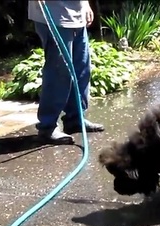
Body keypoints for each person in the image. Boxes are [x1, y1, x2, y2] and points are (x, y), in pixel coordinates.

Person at [28, 0, 105, 143]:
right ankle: (47, 127)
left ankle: (75, 119)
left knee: (82, 69)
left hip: (76, 16)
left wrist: (85, 4)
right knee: (59, 73)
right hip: (54, 14)